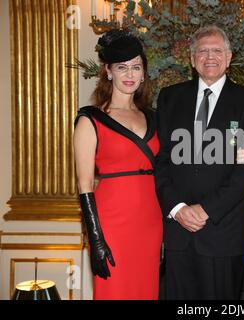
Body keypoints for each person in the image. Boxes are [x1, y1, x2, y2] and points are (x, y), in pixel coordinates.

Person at [155, 25, 244, 300]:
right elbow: (161, 160)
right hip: (178, 232)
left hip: (223, 233)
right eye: (202, 51)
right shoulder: (170, 97)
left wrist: (205, 210)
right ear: (193, 60)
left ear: (229, 57)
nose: (209, 57)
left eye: (217, 50)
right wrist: (178, 208)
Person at [73, 29, 162, 300]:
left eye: (136, 67)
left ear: (144, 73)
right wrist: (96, 238)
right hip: (112, 223)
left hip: (150, 221)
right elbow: (85, 184)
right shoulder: (90, 120)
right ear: (108, 72)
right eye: (122, 67)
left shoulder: (154, 117)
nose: (130, 74)